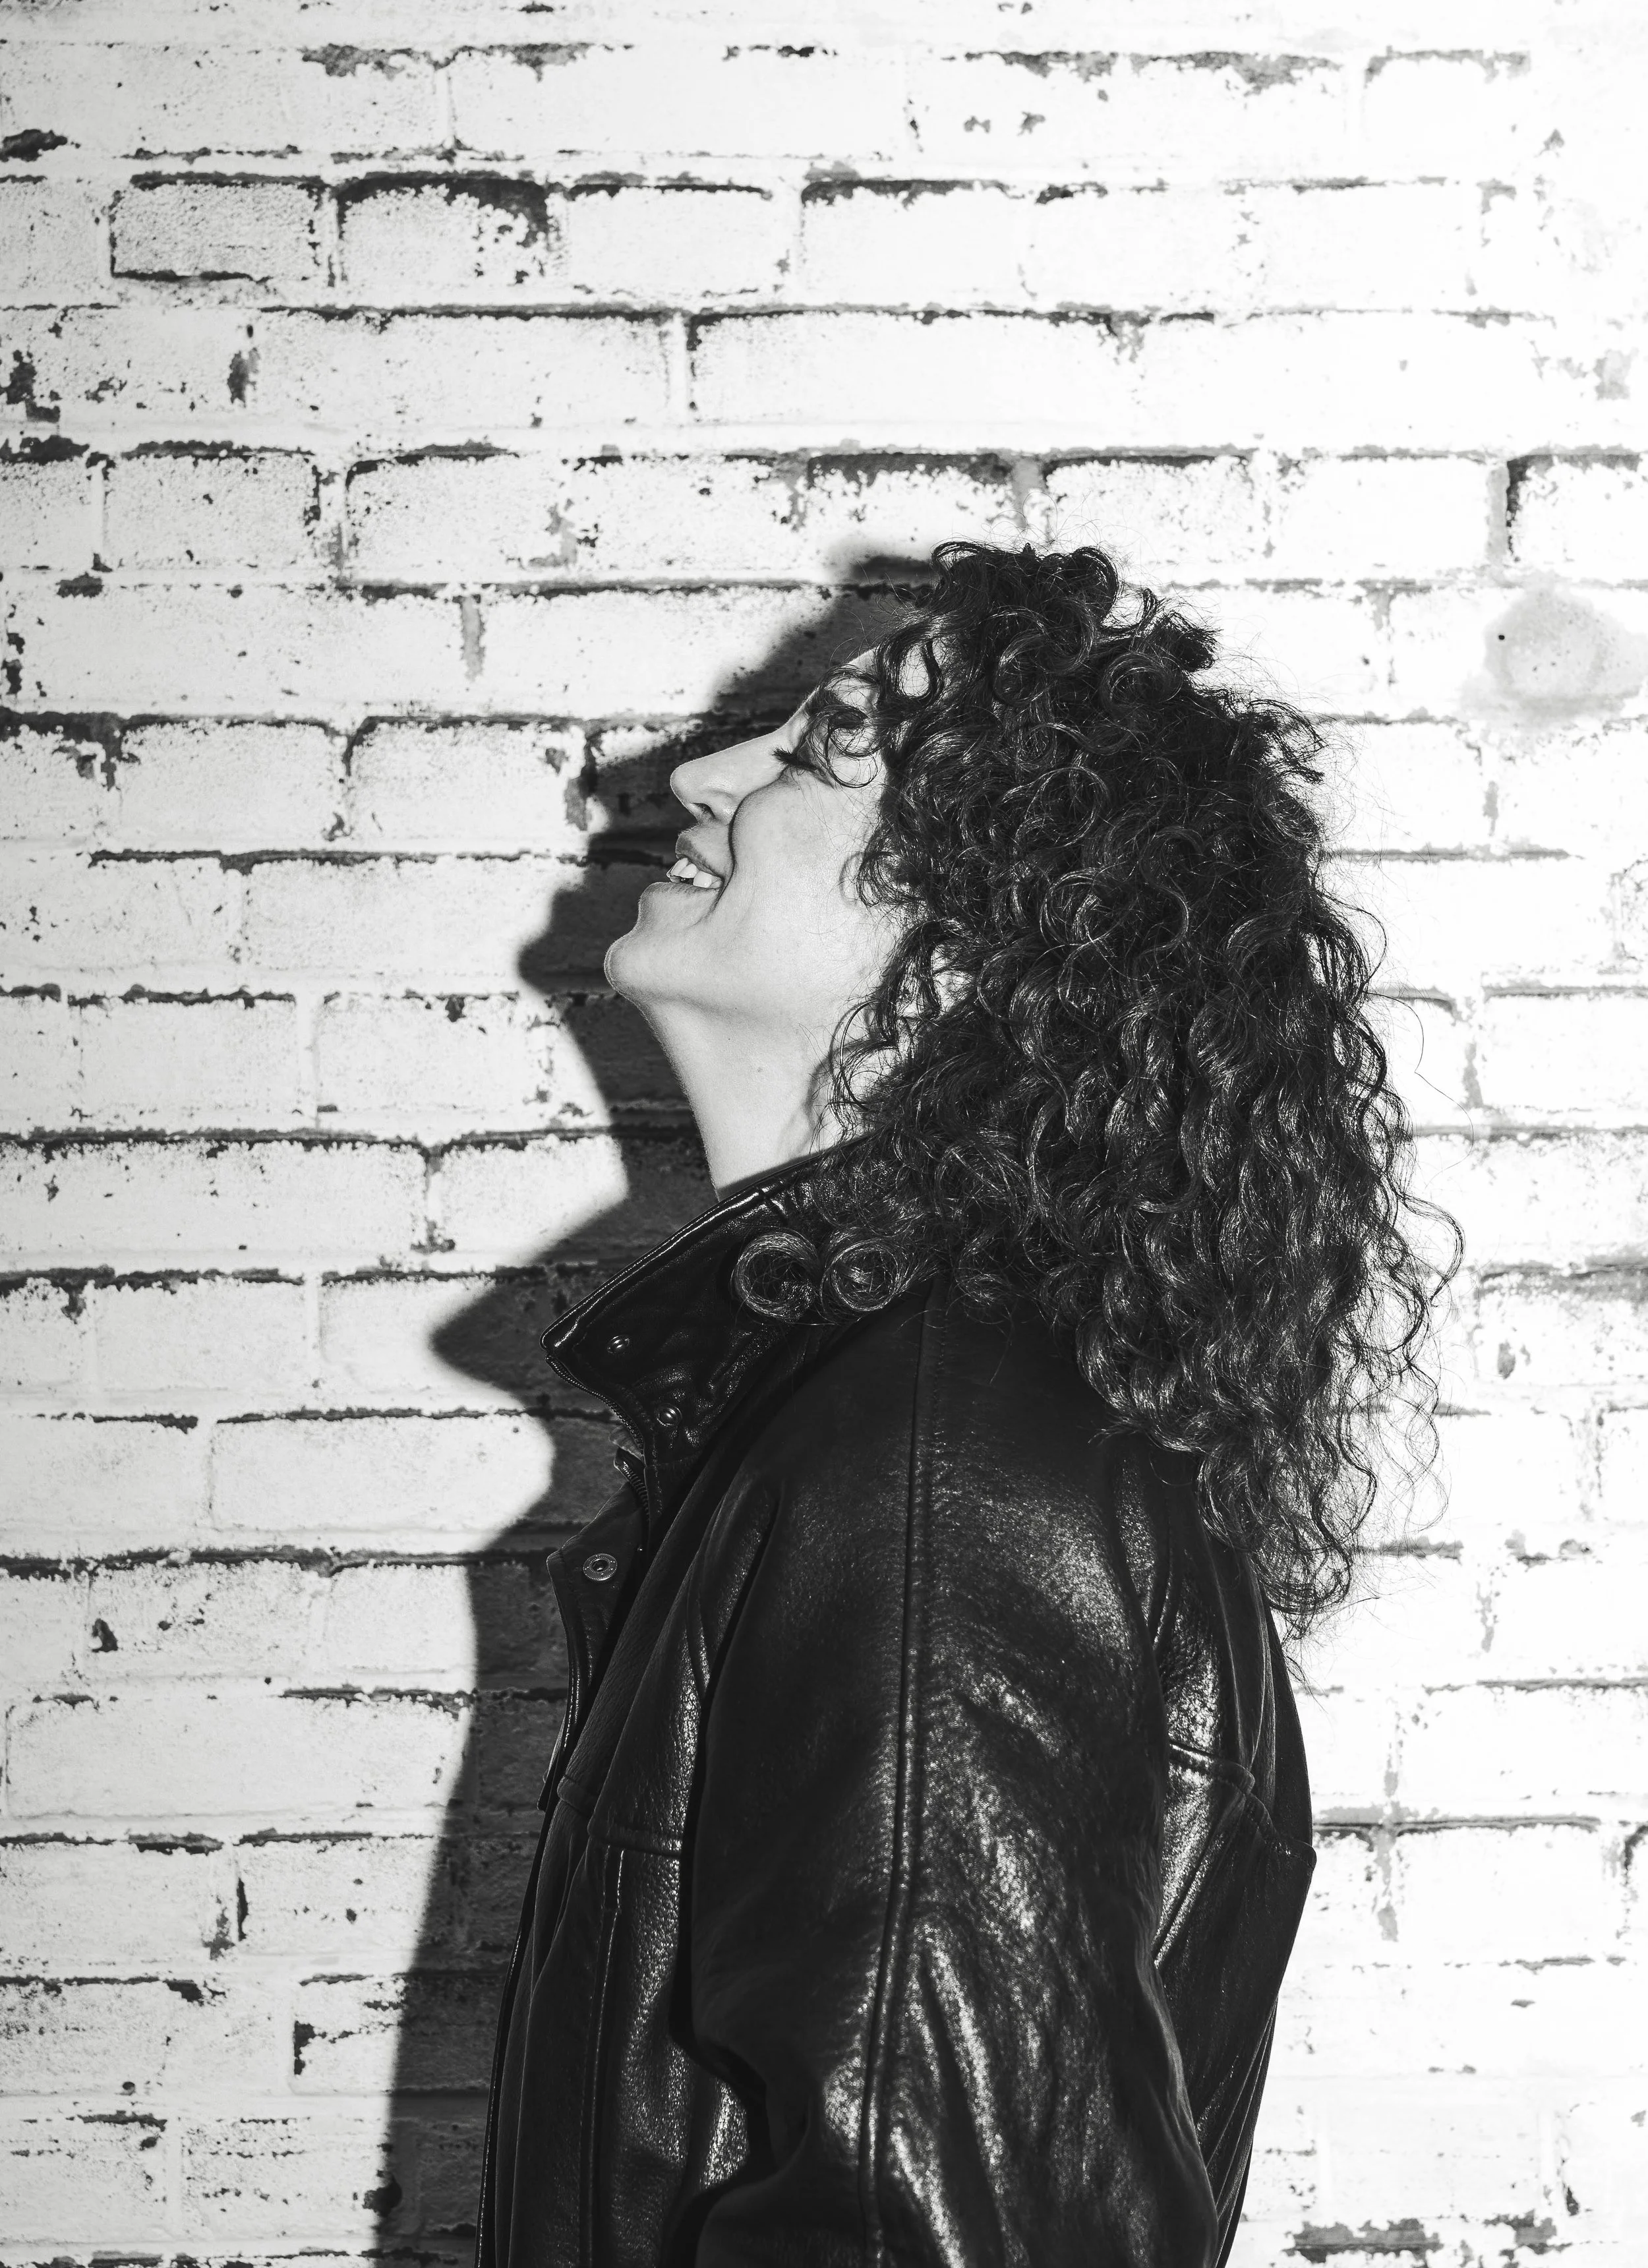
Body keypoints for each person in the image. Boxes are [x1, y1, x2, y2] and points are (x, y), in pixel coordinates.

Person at [475, 543, 1451, 2268]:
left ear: (974, 941)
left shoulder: (927, 1465)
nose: (696, 772)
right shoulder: (898, 1418)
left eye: (817, 748)